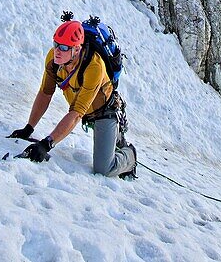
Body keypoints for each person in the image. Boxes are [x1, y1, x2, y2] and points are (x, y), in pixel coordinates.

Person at [9, 15, 136, 178]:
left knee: (104, 169)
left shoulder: (94, 66)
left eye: (63, 47)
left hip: (103, 111)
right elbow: (45, 93)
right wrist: (29, 128)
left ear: (77, 49)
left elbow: (76, 113)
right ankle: (116, 140)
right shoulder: (53, 59)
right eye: (56, 44)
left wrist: (47, 144)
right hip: (84, 110)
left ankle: (130, 155)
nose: (57, 51)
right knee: (107, 154)